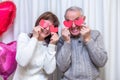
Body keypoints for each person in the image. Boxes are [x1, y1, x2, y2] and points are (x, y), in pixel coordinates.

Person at [56, 6, 108, 80]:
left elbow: (101, 62)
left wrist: (88, 40)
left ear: (83, 19)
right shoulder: (62, 39)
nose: (73, 26)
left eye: (77, 20)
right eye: (69, 21)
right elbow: (62, 67)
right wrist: (67, 42)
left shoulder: (95, 34)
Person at [13, 11, 59, 80]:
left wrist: (52, 45)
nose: (47, 29)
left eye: (51, 27)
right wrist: (34, 38)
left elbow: (49, 70)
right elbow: (22, 62)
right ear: (38, 23)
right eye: (45, 24)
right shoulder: (24, 37)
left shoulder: (48, 46)